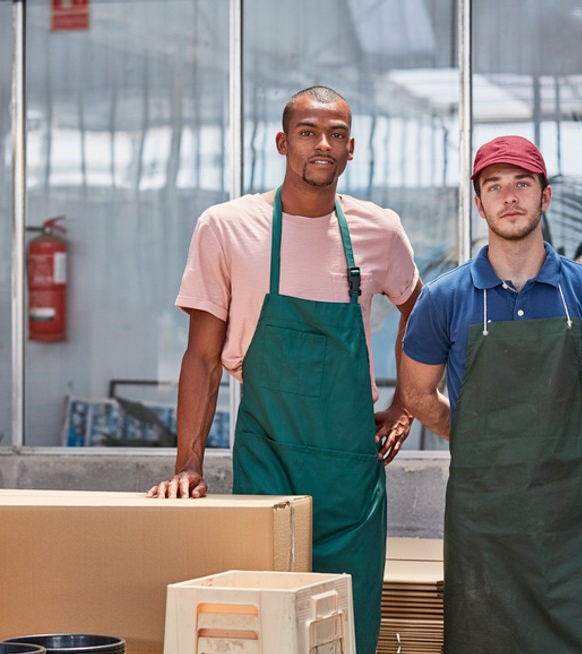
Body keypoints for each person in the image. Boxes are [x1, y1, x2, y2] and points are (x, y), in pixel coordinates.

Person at [147, 85, 422, 654]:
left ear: (351, 150)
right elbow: (202, 357)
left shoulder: (380, 231)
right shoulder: (227, 227)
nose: (323, 144)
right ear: (281, 142)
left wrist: (405, 404)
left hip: (351, 471)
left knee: (347, 630)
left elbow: (419, 312)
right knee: (270, 628)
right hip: (266, 460)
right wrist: (188, 465)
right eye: (308, 132)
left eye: (337, 135)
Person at [399, 135, 582, 653]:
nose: (509, 197)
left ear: (544, 197)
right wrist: (476, 434)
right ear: (479, 202)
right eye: (494, 185)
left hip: (565, 514)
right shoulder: (444, 299)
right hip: (482, 517)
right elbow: (417, 396)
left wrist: (554, 430)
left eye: (522, 184)